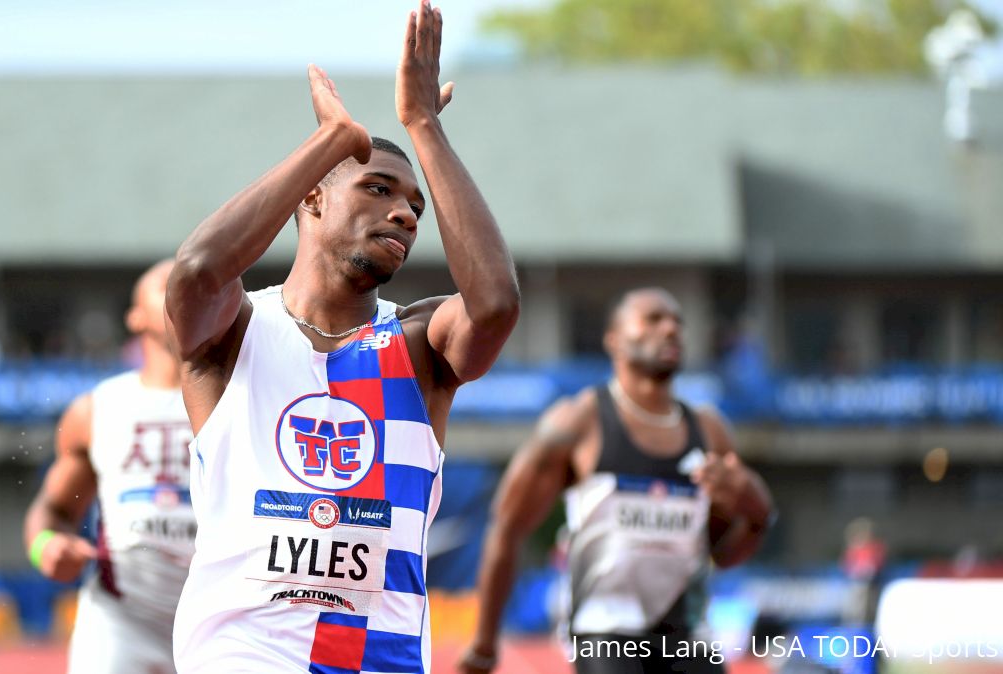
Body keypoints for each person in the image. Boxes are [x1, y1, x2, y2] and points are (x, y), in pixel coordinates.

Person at [166, 3, 520, 671]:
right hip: (243, 654)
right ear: (313, 200)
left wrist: (423, 128)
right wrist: (331, 141)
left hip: (377, 659)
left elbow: (496, 305)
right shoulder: (233, 330)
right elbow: (196, 271)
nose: (404, 214)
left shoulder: (420, 347)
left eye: (415, 206)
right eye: (379, 189)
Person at [460, 288, 773, 674]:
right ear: (614, 339)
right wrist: (484, 641)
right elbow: (506, 527)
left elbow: (723, 554)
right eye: (654, 319)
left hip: (687, 634)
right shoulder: (578, 422)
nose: (671, 328)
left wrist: (757, 514)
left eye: (677, 321)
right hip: (605, 629)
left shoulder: (710, 432)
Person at [24, 259, 195, 674]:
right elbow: (54, 510)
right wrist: (46, 545)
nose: (185, 289)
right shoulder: (97, 409)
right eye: (167, 284)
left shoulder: (248, 398)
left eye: (196, 281)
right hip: (122, 621)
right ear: (135, 317)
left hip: (219, 619)